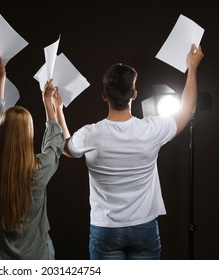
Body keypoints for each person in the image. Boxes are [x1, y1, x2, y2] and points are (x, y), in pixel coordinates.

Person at [64, 44, 204, 260]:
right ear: (135, 94)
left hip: (105, 230)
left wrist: (53, 108)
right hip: (144, 228)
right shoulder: (151, 129)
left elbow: (65, 147)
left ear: (104, 96)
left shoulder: (89, 135)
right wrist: (192, 67)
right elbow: (188, 110)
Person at [0, 57, 70, 259]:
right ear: (29, 134)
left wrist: (1, 78)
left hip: (2, 257)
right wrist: (48, 103)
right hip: (39, 254)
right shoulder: (40, 169)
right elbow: (56, 144)